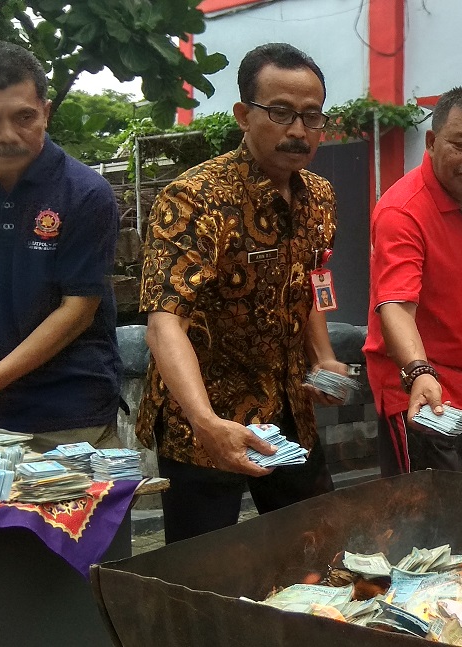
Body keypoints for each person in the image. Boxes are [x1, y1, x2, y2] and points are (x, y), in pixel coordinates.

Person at [136, 43, 347, 543]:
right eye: (280, 112)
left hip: (289, 412)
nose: (297, 130)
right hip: (203, 423)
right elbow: (165, 322)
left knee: (321, 552)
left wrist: (324, 358)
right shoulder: (193, 198)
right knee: (201, 571)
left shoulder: (320, 197)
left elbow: (313, 279)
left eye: (311, 116)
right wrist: (207, 422)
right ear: (243, 116)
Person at [0, 41, 122, 453]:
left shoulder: (85, 194)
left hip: (68, 418)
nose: (6, 135)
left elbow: (76, 311)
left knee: (74, 519)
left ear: (46, 112)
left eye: (24, 117)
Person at [363, 87, 462, 476]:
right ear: (431, 141)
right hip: (412, 387)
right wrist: (417, 370)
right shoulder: (402, 211)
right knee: (418, 511)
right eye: (460, 144)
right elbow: (394, 304)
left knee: (447, 501)